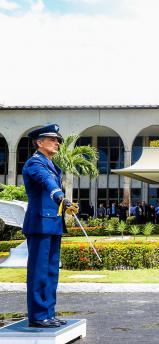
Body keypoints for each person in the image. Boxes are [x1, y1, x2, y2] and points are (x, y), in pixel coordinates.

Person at [22, 124, 78, 328]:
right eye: (52, 139)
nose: (57, 143)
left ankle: (48, 313)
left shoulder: (52, 165)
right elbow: (46, 182)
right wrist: (59, 195)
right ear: (39, 142)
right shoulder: (34, 163)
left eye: (58, 141)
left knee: (52, 271)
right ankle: (38, 315)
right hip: (39, 224)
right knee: (39, 271)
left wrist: (67, 205)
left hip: (53, 224)